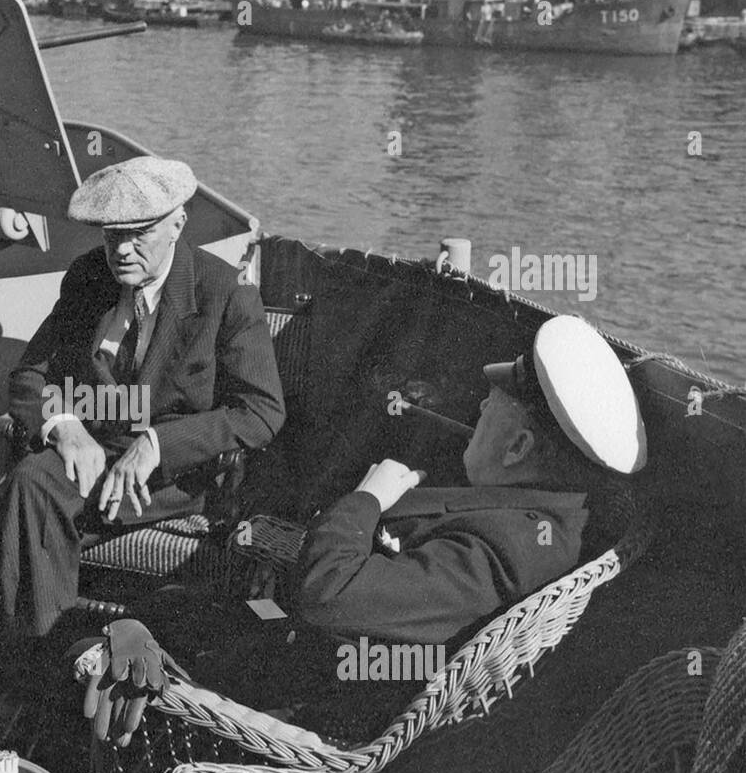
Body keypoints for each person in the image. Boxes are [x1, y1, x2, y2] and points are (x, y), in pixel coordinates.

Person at [81, 315, 648, 747]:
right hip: (304, 638)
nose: (477, 406)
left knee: (94, 648)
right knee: (168, 608)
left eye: (492, 406)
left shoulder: (503, 550)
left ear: (520, 447)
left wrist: (369, 498)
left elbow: (326, 596)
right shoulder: (536, 516)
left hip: (311, 693)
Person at [0, 156, 285, 645]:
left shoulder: (223, 293)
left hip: (171, 478)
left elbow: (262, 410)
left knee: (32, 507)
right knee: (31, 482)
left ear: (177, 225)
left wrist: (157, 444)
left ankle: (31, 666)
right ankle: (45, 659)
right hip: (95, 457)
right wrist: (66, 427)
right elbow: (28, 376)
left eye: (139, 233)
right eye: (110, 236)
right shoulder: (87, 279)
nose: (121, 250)